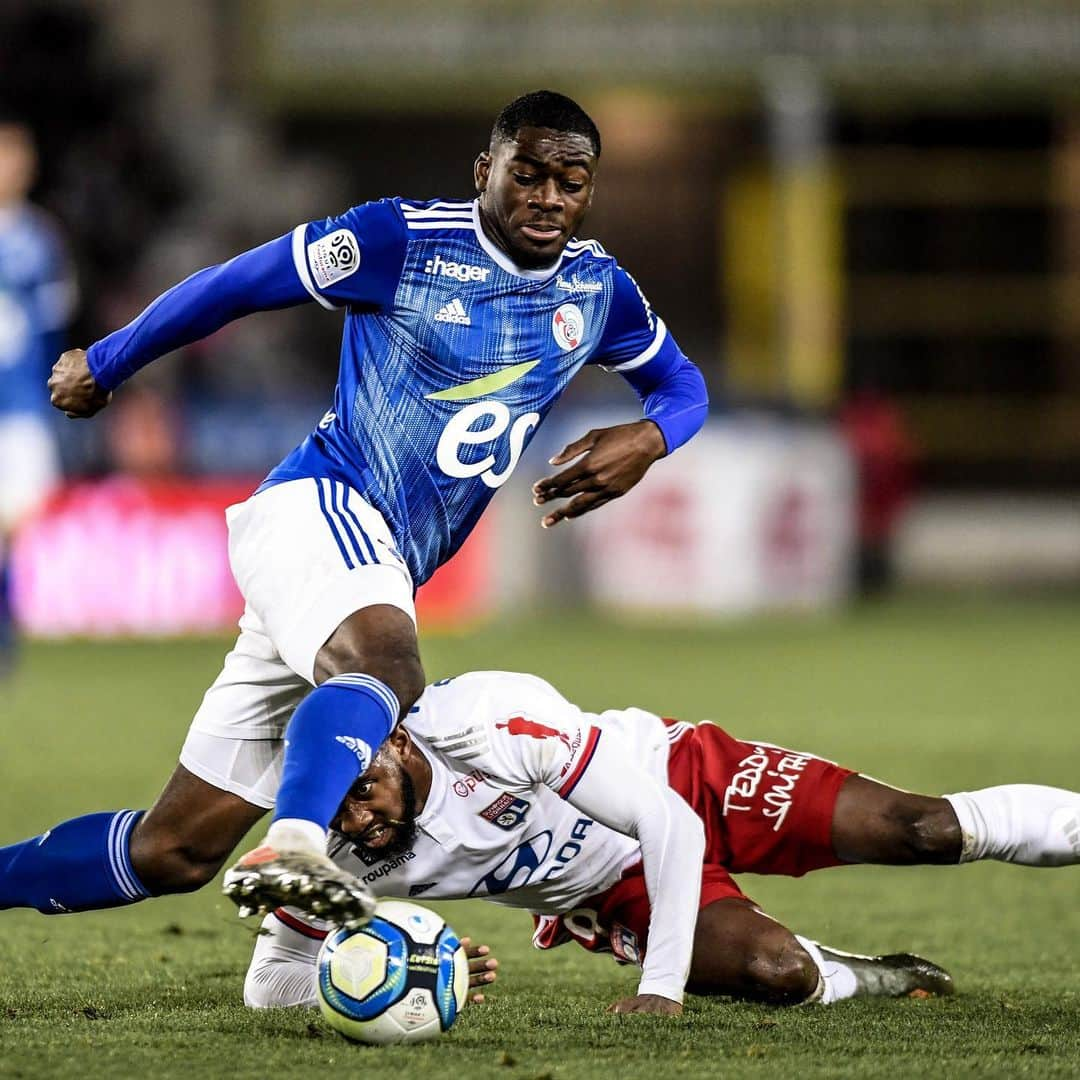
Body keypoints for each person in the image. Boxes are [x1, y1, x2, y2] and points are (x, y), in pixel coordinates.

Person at [4, 92, 708, 926]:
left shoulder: (596, 291)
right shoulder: (400, 240)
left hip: (368, 564)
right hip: (323, 507)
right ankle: (298, 846)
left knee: (176, 851)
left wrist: (652, 437)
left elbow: (683, 385)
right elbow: (240, 283)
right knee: (390, 668)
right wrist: (109, 362)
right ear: (486, 171)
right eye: (528, 174)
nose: (548, 198)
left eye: (571, 181)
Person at [239, 669, 1080, 1015]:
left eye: (364, 793)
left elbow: (666, 821)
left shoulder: (481, 722)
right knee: (777, 974)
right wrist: (393, 975)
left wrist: (662, 986)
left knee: (921, 828)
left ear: (393, 741)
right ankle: (872, 973)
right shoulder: (325, 844)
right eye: (334, 808)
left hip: (682, 782)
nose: (357, 823)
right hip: (607, 887)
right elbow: (270, 982)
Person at [0, 113, 76, 671]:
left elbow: (55, 323)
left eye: (17, 154)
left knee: (19, 517)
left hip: (23, 404)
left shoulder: (40, 239)